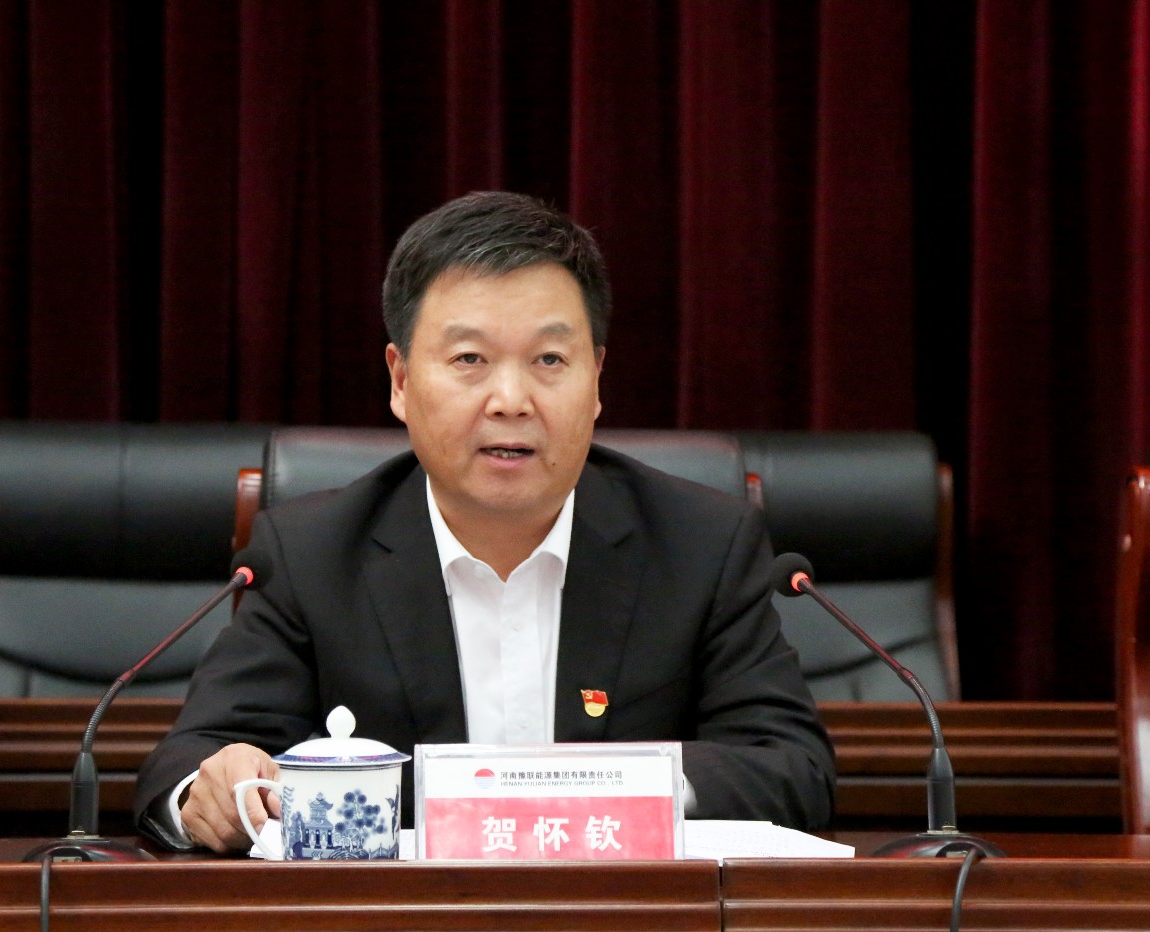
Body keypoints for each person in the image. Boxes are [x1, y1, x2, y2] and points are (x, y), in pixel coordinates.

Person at [134, 191, 836, 853]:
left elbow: (792, 767)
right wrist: (212, 791)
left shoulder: (702, 543)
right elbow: (189, 765)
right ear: (401, 380)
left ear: (596, 379)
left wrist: (620, 791)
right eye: (470, 359)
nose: (510, 400)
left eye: (549, 360)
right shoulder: (312, 553)